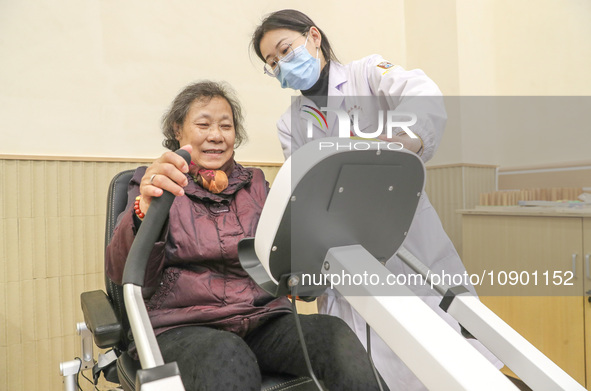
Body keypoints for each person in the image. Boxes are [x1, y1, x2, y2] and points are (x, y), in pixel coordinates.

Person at [251, 9, 503, 391]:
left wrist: (412, 136)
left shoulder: (367, 74)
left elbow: (421, 91)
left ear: (313, 37)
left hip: (406, 237)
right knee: (373, 366)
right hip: (342, 252)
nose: (282, 65)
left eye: (285, 51)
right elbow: (302, 190)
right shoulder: (291, 123)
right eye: (272, 63)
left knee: (447, 354)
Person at [105, 80, 389, 391]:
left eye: (226, 126)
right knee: (227, 355)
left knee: (333, 335)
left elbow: (282, 254)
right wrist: (145, 209)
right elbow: (126, 274)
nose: (216, 135)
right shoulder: (156, 183)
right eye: (203, 124)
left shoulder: (255, 184)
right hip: (182, 326)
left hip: (263, 320)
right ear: (177, 129)